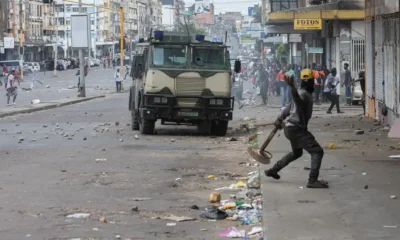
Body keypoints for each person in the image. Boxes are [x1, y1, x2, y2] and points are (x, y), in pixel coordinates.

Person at [264, 69, 328, 188]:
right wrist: (292, 87)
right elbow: (298, 102)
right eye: (312, 81)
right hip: (296, 129)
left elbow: (288, 108)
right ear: (311, 82)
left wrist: (279, 119)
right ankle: (312, 180)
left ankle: (273, 170)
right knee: (317, 151)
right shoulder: (303, 94)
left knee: (296, 153)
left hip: (290, 128)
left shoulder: (302, 92)